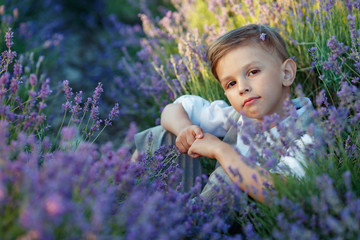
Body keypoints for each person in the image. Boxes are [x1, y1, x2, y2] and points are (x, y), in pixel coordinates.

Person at [134, 24, 315, 203]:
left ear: (286, 73)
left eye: (253, 72)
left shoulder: (307, 133)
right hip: (196, 207)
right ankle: (126, 194)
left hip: (241, 223)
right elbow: (173, 109)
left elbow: (287, 192)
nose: (242, 88)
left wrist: (221, 150)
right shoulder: (237, 118)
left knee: (232, 174)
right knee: (162, 135)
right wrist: (186, 129)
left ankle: (182, 223)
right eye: (231, 84)